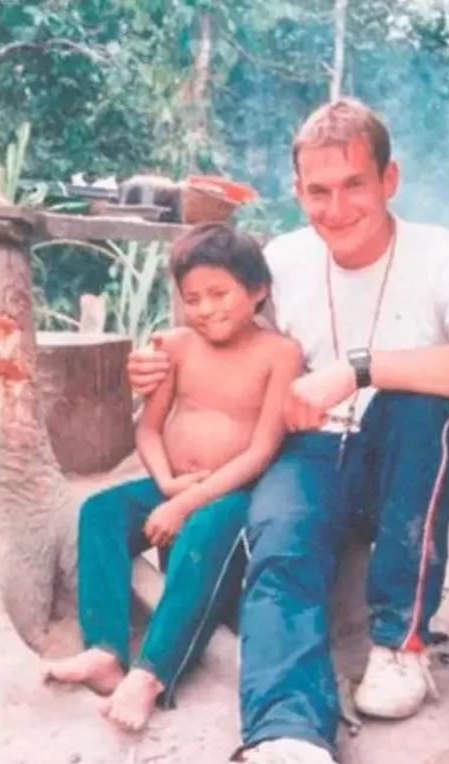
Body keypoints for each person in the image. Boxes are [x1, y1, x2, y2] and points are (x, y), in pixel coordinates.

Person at [129, 98, 449, 764]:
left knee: (422, 402)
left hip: (395, 456)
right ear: (298, 190)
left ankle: (401, 642)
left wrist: (360, 370)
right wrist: (157, 366)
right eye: (318, 190)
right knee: (281, 541)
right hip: (308, 450)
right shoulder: (279, 260)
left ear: (389, 178)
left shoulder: (444, 254)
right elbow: (221, 347)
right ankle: (289, 743)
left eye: (353, 185)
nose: (336, 207)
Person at [42, 223, 302, 732]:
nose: (206, 309)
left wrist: (186, 505)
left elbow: (262, 450)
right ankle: (104, 649)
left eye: (219, 294)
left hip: (234, 493)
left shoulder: (280, 354)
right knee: (100, 512)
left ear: (258, 291)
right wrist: (166, 485)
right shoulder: (178, 345)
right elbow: (150, 428)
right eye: (193, 298)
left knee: (203, 536)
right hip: (174, 483)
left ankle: (152, 674)